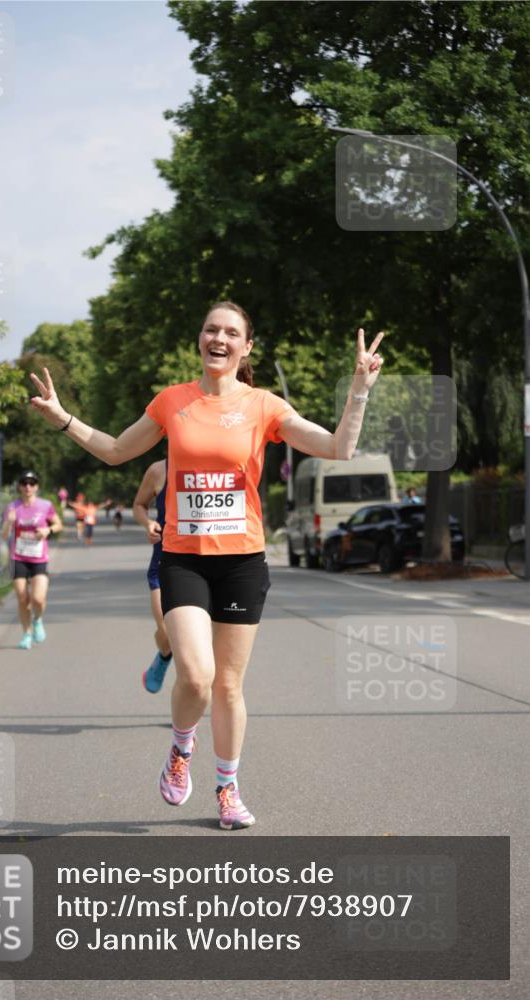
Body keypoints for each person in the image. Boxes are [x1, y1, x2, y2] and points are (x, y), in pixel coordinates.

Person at [29, 302, 384, 829]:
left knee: (229, 687)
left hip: (242, 561)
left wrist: (359, 388)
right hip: (183, 560)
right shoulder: (173, 402)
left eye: (231, 332)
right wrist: (65, 421)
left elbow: (339, 447)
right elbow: (114, 451)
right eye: (211, 329)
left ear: (247, 348)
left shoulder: (264, 406)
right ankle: (179, 748)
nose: (219, 338)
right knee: (196, 677)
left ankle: (227, 788)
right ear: (201, 339)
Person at [1, 470, 63, 650]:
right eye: (24, 483)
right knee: (22, 599)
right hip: (17, 557)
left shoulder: (45, 505)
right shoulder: (12, 507)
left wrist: (48, 530)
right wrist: (8, 523)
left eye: (32, 483)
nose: (28, 486)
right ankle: (27, 634)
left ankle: (38, 619)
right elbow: (4, 536)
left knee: (37, 598)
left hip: (38, 558)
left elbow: (58, 524)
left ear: (37, 486)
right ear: (19, 486)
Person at [133, 459, 173, 693]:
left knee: (195, 646)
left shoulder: (218, 464)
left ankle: (187, 712)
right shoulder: (159, 470)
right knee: (169, 633)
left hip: (207, 565)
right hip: (164, 563)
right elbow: (139, 504)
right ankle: (164, 656)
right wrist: (148, 523)